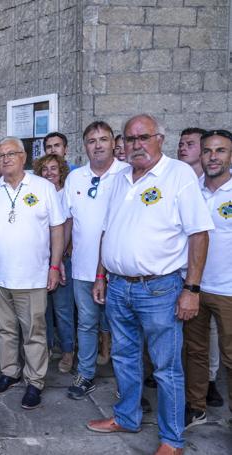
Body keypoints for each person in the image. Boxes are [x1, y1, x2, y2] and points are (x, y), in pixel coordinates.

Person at [88, 114, 213, 455]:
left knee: (166, 368)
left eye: (143, 137)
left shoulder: (178, 174)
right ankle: (126, 417)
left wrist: (192, 289)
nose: (136, 144)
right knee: (125, 358)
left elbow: (199, 234)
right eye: (129, 139)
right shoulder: (119, 180)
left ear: (160, 138)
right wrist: (101, 275)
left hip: (159, 289)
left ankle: (172, 440)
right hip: (118, 287)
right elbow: (107, 232)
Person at [0, 136, 65, 410]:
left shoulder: (43, 187)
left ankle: (35, 381)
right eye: (0, 155)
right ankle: (10, 371)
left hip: (33, 276)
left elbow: (57, 229)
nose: (5, 159)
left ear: (23, 157)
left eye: (10, 154)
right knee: (5, 329)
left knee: (34, 331)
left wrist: (54, 266)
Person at [62, 121, 129, 398]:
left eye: (103, 139)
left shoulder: (127, 174)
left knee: (123, 328)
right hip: (82, 267)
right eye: (92, 140)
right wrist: (57, 261)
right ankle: (86, 374)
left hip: (119, 270)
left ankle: (127, 384)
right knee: (86, 324)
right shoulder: (75, 178)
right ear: (84, 145)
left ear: (114, 142)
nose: (98, 145)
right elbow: (67, 221)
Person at [184, 129, 232, 427]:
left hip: (229, 290)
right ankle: (196, 406)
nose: (213, 157)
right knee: (195, 352)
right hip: (195, 287)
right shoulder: (192, 189)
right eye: (208, 151)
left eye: (221, 151)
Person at [177, 127, 223, 406]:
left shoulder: (222, 186)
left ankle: (212, 382)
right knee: (192, 342)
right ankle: (193, 397)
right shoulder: (183, 184)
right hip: (187, 277)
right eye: (207, 150)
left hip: (221, 281)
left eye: (191, 144)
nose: (211, 156)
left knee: (218, 342)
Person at [32, 153, 74, 374]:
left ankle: (68, 350)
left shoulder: (64, 194)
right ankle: (46, 348)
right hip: (39, 259)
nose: (49, 173)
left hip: (59, 260)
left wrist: (57, 261)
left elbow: (65, 226)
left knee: (63, 309)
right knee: (43, 310)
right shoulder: (37, 193)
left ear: (61, 172)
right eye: (44, 169)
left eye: (53, 169)